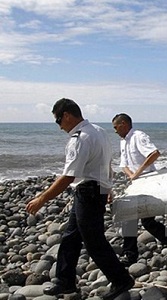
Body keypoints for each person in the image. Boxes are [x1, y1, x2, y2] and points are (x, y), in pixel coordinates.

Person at [26, 98, 134, 300]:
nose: (59, 127)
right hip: (94, 189)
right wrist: (107, 187)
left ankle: (121, 279)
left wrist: (42, 198)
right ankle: (65, 281)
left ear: (66, 115)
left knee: (94, 241)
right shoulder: (99, 131)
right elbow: (106, 163)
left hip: (89, 192)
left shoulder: (80, 138)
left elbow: (68, 176)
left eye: (58, 121)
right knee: (71, 237)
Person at [111, 113, 167, 265]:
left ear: (123, 124)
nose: (115, 131)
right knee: (140, 220)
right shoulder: (123, 142)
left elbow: (154, 154)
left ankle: (131, 255)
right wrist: (131, 175)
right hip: (137, 184)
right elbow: (124, 165)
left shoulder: (138, 136)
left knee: (142, 220)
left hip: (149, 182)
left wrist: (138, 172)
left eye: (116, 127)